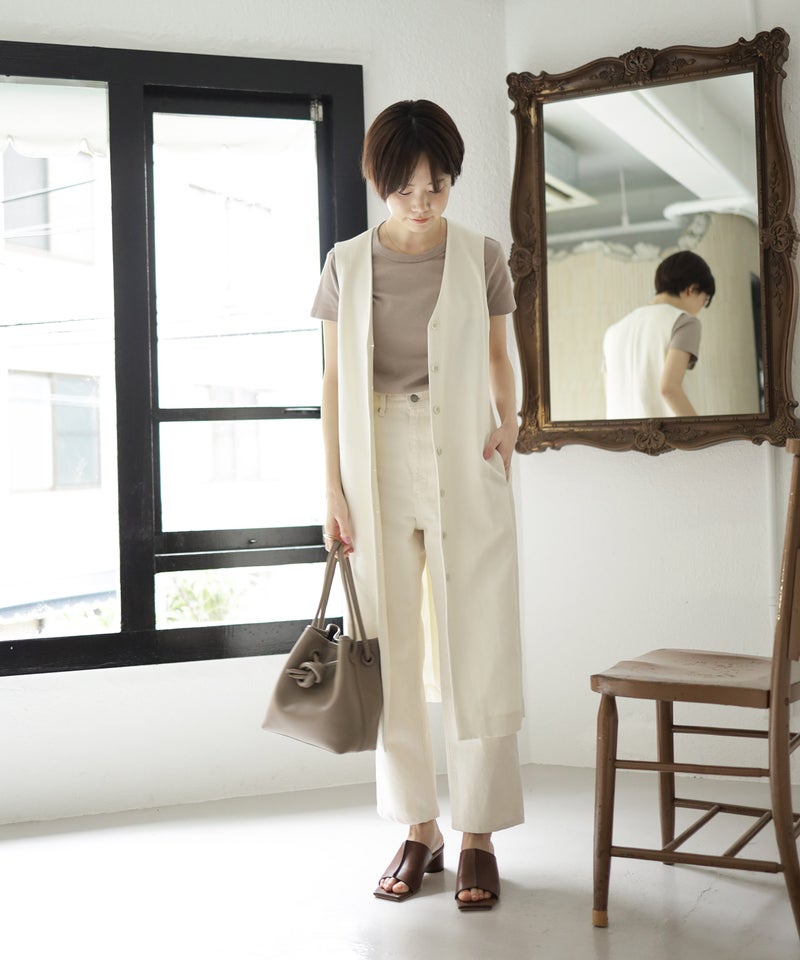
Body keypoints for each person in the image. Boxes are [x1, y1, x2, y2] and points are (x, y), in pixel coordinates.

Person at [312, 100, 525, 910]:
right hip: (374, 460)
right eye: (406, 188)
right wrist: (331, 486)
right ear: (380, 183)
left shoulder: (482, 255)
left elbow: (499, 354)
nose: (424, 201)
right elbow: (332, 380)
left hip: (463, 450)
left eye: (437, 184)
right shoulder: (346, 263)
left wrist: (511, 422)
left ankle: (478, 834)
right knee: (387, 647)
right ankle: (418, 827)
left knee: (481, 640)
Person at [602, 250, 716, 418]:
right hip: (667, 433)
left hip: (620, 434)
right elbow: (669, 388)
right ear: (691, 290)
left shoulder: (613, 331)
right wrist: (700, 432)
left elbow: (610, 394)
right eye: (704, 300)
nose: (700, 309)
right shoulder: (684, 322)